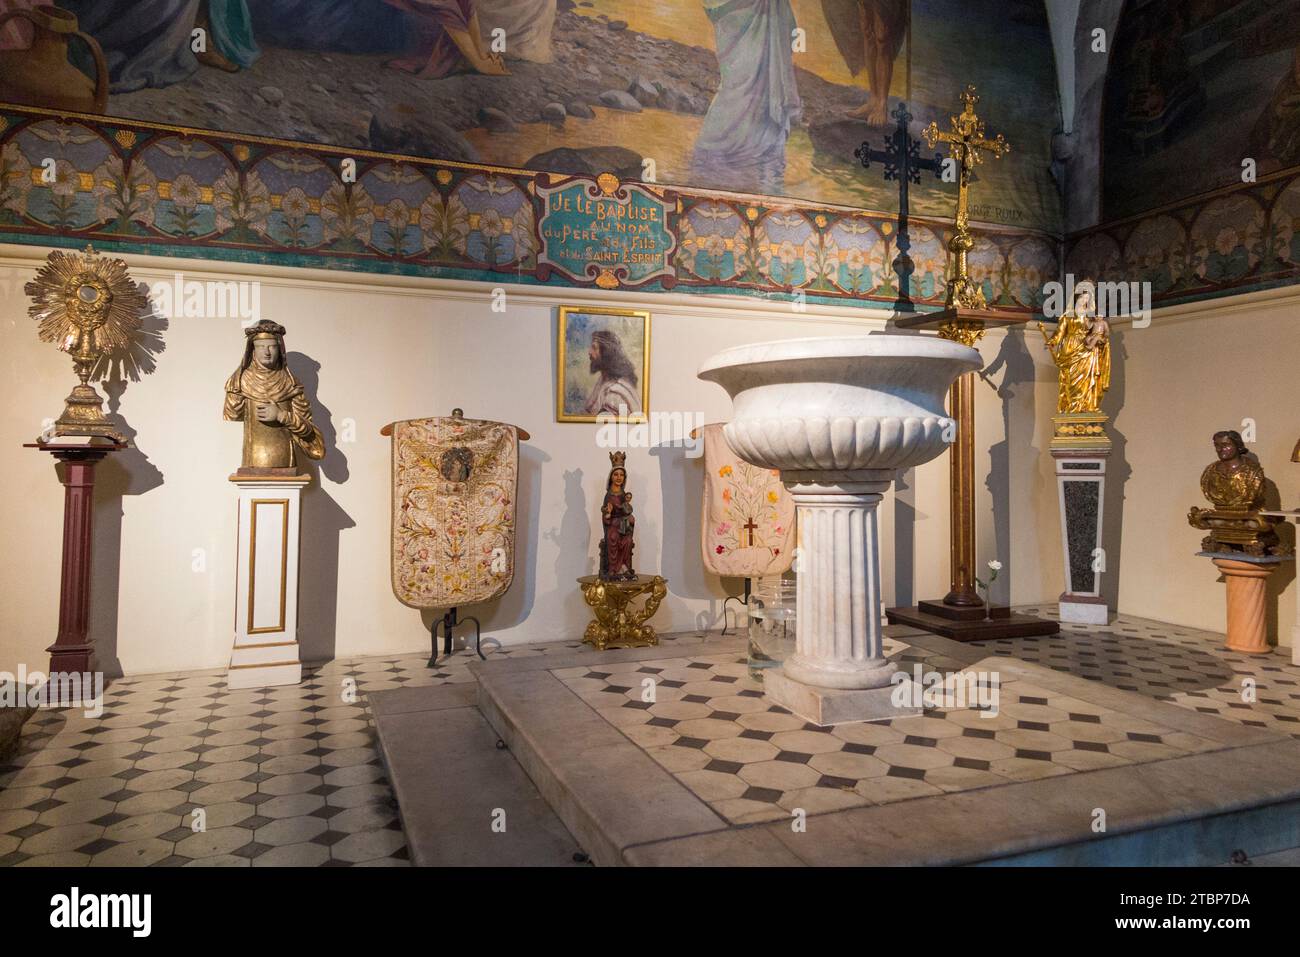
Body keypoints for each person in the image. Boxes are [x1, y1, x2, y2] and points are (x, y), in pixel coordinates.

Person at [691, 0, 802, 194]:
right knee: (737, 85)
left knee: (752, 91)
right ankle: (728, 157)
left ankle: (747, 158)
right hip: (742, 18)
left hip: (758, 14)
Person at [223, 319, 325, 471]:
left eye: (272, 346)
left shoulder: (291, 384)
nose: (267, 352)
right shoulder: (240, 382)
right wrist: (237, 391)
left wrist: (281, 415)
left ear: (280, 349)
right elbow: (232, 413)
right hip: (253, 462)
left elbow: (307, 429)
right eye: (261, 346)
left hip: (285, 463)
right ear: (252, 350)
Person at [1038, 281, 1111, 415]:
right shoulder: (1067, 316)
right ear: (1077, 298)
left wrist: (1100, 340)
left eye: (1088, 298)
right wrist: (1052, 342)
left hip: (1087, 351)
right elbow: (1059, 333)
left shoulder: (1092, 316)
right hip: (1071, 349)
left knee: (1088, 380)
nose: (1085, 301)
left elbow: (1100, 333)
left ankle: (1086, 407)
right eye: (1083, 297)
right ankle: (1072, 409)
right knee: (1071, 381)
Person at [583, 329, 641, 417]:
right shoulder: (604, 380)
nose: (590, 352)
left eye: (594, 348)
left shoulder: (614, 394)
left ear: (606, 353)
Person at [599, 457, 635, 581]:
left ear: (624, 478)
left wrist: (629, 516)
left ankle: (625, 567)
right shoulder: (608, 495)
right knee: (613, 537)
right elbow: (605, 515)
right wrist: (608, 514)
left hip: (623, 525)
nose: (619, 477)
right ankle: (614, 569)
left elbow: (627, 510)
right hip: (613, 525)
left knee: (628, 540)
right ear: (611, 477)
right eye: (616, 474)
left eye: (621, 475)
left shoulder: (624, 495)